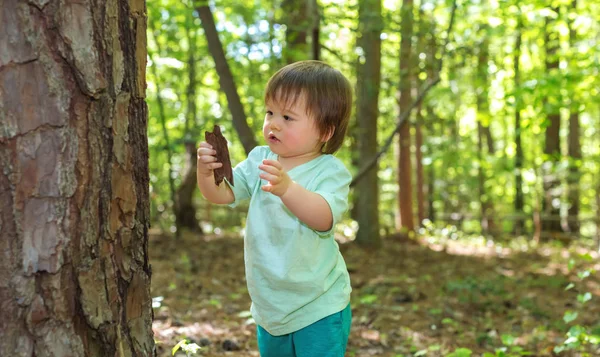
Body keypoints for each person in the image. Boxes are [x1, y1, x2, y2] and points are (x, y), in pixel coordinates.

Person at [197, 60, 353, 357]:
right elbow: (222, 194)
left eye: (288, 117)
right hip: (271, 305)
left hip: (318, 304)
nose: (274, 123)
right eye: (270, 112)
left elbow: (323, 218)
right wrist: (205, 172)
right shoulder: (260, 158)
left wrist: (288, 189)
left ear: (325, 131)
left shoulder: (329, 170)